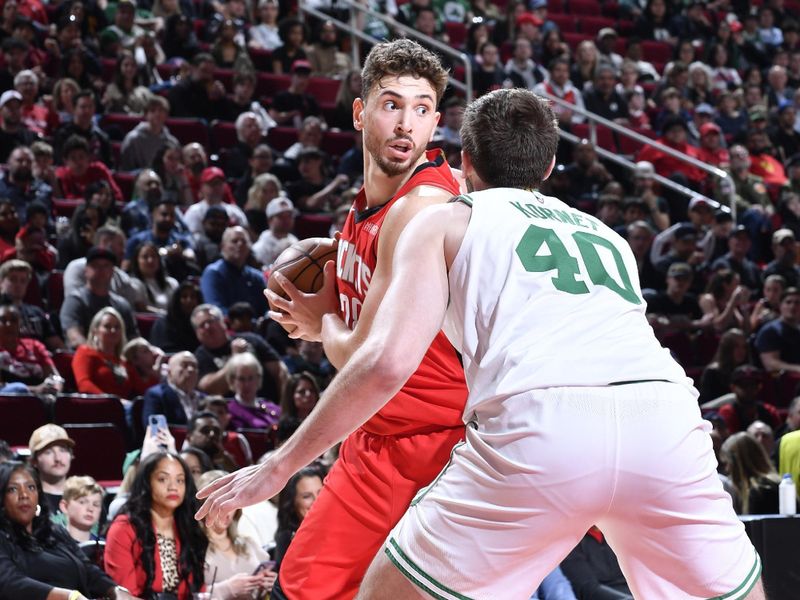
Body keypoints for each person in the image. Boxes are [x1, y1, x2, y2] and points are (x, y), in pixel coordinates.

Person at [198, 88, 765, 599]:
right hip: (665, 421)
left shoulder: (448, 218)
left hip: (541, 422)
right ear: (547, 166)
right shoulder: (609, 237)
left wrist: (278, 466)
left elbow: (387, 363)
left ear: (463, 162)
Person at [212, 38, 472, 599]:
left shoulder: (424, 207)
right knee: (305, 585)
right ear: (360, 112)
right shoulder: (367, 203)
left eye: (422, 109)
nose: (406, 124)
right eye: (392, 104)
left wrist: (322, 317)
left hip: (435, 445)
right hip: (379, 434)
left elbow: (364, 354)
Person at [0, 461, 137, 600]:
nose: (24, 494)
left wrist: (115, 589)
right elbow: (10, 583)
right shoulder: (3, 538)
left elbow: (88, 570)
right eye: (13, 489)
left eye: (31, 487)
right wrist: (70, 596)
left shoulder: (55, 532)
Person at [106, 452, 207, 599]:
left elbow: (198, 590)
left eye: (180, 480)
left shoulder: (189, 527)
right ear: (147, 483)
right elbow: (124, 596)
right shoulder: (124, 528)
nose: (173, 487)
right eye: (162, 479)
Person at [197, 470, 276, 599]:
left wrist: (272, 584)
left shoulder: (249, 544)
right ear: (203, 507)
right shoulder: (194, 548)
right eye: (220, 504)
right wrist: (226, 588)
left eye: (232, 503)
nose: (227, 510)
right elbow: (187, 594)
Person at [60, 246, 139, 348]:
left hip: (119, 360)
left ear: (112, 271)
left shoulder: (122, 304)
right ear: (86, 270)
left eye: (106, 266)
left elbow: (133, 339)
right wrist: (99, 357)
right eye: (95, 265)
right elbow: (74, 338)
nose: (101, 270)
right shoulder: (75, 300)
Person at [72, 307, 151, 399]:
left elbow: (142, 388)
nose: (113, 330)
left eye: (117, 327)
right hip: (97, 407)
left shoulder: (124, 361)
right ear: (95, 331)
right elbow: (84, 384)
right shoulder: (85, 352)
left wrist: (153, 372)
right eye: (107, 326)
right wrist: (111, 401)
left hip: (124, 408)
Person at [200, 226, 269, 316]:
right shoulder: (213, 273)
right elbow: (216, 309)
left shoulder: (257, 276)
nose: (240, 244)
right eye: (234, 241)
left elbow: (267, 308)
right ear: (223, 246)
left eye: (244, 241)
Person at [0, 303, 62, 395]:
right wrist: (34, 390)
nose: (9, 324)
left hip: (40, 400)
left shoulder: (35, 346)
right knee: (19, 389)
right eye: (3, 320)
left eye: (13, 320)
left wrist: (55, 389)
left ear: (20, 325)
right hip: (7, 401)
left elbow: (55, 377)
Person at [273, 464, 325, 571]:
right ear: (292, 502)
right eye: (307, 496)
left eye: (321, 493)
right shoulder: (286, 540)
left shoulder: (343, 527)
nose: (317, 500)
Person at [720, 432, 783, 515]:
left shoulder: (760, 491)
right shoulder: (773, 484)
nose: (727, 469)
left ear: (739, 463)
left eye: (728, 463)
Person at [142, 351, 205, 427]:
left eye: (194, 366)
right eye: (184, 365)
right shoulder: (157, 395)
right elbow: (154, 428)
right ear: (169, 371)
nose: (190, 369)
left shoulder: (204, 398)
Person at [226, 352, 281, 430]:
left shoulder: (272, 408)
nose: (246, 384)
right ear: (232, 380)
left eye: (251, 378)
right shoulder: (228, 411)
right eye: (241, 379)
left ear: (258, 378)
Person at [28, 424, 74, 515]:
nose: (58, 458)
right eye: (48, 452)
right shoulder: (29, 500)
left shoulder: (87, 495)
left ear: (71, 456)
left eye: (63, 450)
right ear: (34, 461)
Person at [150, 280, 203, 353]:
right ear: (177, 300)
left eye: (193, 296)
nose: (189, 300)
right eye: (184, 297)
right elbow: (164, 350)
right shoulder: (163, 323)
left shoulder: (201, 323)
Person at [127, 241, 179, 314]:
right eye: (145, 257)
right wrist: (164, 314)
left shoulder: (172, 283)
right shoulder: (134, 283)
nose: (150, 260)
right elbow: (141, 308)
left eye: (154, 256)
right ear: (137, 261)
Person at [58, 475, 104, 543]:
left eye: (96, 505)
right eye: (82, 502)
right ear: (65, 506)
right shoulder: (52, 544)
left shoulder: (104, 546)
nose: (90, 509)